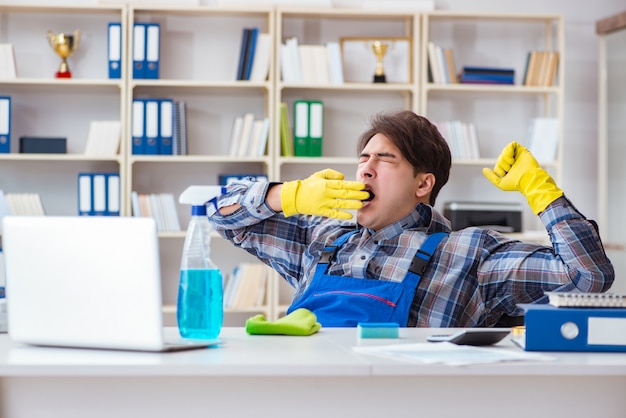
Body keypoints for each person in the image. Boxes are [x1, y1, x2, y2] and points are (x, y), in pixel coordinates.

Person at [206, 109, 614, 327]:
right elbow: (218, 214)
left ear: (423, 185)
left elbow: (588, 278)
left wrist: (542, 192)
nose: (365, 169)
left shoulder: (470, 254)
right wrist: (286, 195)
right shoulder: (324, 237)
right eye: (362, 158)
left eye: (384, 160)